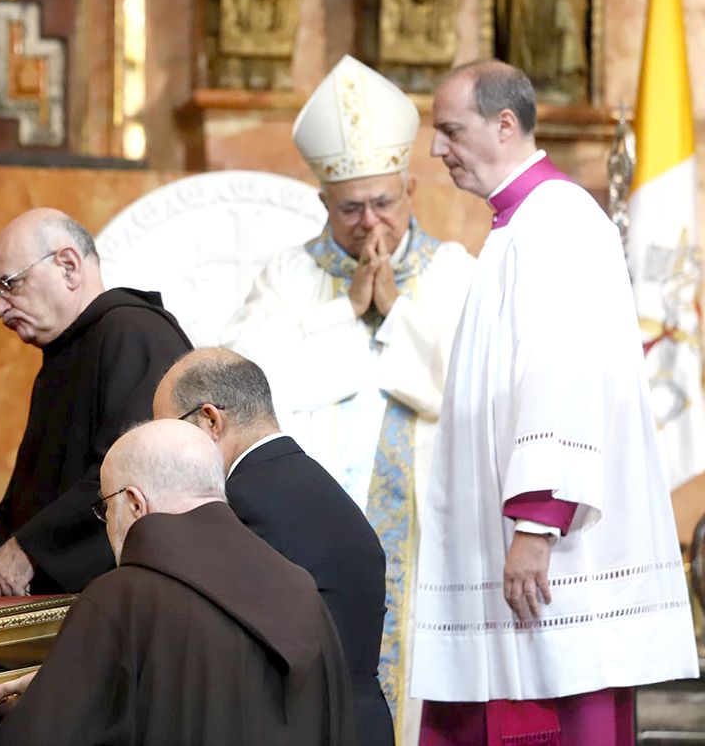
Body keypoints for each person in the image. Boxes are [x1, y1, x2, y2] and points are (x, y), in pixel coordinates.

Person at [412, 59, 697, 745]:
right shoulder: (523, 224)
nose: (436, 150)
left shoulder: (557, 223)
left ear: (504, 124)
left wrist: (537, 525)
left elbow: (562, 375)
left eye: (452, 131)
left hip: (549, 556)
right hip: (526, 546)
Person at [221, 54, 476, 739]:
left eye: (384, 203)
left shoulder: (453, 274)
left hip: (430, 538)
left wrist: (396, 313)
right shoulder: (287, 278)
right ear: (323, 203)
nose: (369, 223)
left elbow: (472, 392)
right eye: (351, 207)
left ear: (411, 188)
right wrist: (347, 314)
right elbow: (248, 395)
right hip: (309, 546)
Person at [0, 419, 357, 746]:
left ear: (134, 502)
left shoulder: (121, 597)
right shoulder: (300, 588)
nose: (106, 522)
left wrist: (36, 704)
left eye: (105, 507)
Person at [153, 347, 393, 746]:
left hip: (303, 727)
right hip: (361, 722)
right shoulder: (312, 481)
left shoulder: (239, 503)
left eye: (169, 432)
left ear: (211, 419)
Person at [0, 207, 192, 596]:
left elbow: (135, 475)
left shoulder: (134, 333)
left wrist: (31, 550)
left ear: (68, 266)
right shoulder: (63, 356)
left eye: (9, 284)